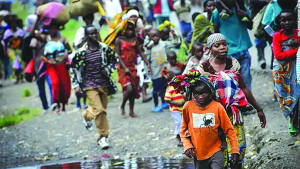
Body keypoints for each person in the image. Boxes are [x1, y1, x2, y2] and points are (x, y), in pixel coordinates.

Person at [197, 33, 267, 168]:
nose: (222, 47)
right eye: (217, 46)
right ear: (210, 49)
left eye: (224, 44)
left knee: (236, 152)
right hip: (213, 118)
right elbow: (198, 94)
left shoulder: (233, 63)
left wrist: (259, 109)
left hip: (233, 115)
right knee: (217, 153)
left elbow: (244, 87)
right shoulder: (204, 68)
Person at [169, 71, 239, 169]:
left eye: (204, 93)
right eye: (196, 94)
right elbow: (183, 131)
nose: (200, 97)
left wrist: (234, 149)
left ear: (210, 92)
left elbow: (229, 130)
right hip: (198, 153)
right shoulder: (188, 106)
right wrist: (187, 145)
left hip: (216, 150)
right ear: (193, 94)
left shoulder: (217, 107)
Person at [70, 25, 119, 149]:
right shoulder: (81, 53)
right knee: (100, 111)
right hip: (89, 85)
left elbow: (115, 60)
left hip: (104, 84)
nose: (94, 36)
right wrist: (76, 85)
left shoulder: (104, 48)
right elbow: (74, 68)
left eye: (95, 33)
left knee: (100, 109)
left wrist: (108, 70)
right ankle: (103, 137)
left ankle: (86, 115)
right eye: (91, 34)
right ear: (86, 37)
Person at [30, 17, 72, 114]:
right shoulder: (46, 38)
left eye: (54, 28)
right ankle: (56, 105)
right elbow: (32, 34)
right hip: (51, 65)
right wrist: (37, 20)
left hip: (61, 65)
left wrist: (66, 55)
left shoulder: (63, 39)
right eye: (50, 28)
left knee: (64, 86)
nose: (52, 30)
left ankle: (63, 106)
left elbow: (69, 50)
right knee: (54, 84)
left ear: (57, 29)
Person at [211, 0, 253, 91]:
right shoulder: (217, 13)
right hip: (228, 52)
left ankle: (248, 103)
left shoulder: (241, 8)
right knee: (231, 81)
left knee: (246, 79)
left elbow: (250, 26)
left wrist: (246, 16)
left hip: (243, 50)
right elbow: (216, 34)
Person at [115, 20, 151, 117]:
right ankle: (122, 105)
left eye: (131, 29)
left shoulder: (134, 40)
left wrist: (147, 63)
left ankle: (131, 111)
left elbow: (140, 52)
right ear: (124, 30)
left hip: (132, 67)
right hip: (123, 67)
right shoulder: (119, 40)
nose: (130, 31)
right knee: (129, 88)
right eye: (128, 29)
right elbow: (118, 55)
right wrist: (125, 67)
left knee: (134, 89)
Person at [272, 10, 300, 136]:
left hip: (297, 68)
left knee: (297, 94)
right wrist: (297, 50)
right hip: (283, 71)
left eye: (290, 20)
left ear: (295, 21)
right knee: (286, 95)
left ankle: (295, 122)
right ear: (279, 22)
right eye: (284, 20)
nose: (287, 23)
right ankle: (291, 120)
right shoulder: (277, 36)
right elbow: (278, 55)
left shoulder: (298, 34)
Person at [146, 29, 170, 112]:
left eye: (157, 36)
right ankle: (156, 105)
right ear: (150, 38)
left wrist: (175, 34)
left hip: (163, 70)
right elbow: (146, 58)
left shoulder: (163, 44)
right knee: (156, 90)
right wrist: (148, 48)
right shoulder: (149, 47)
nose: (155, 38)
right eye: (153, 36)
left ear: (160, 36)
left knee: (163, 88)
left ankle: (163, 103)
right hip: (155, 72)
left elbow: (175, 42)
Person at [164, 67, 185, 146]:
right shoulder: (170, 88)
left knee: (185, 123)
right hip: (175, 109)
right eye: (176, 77)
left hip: (183, 108)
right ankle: (178, 136)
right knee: (179, 122)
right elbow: (167, 99)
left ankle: (184, 137)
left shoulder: (182, 86)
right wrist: (176, 103)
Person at [3, 18, 24, 84]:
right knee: (14, 64)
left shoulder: (20, 31)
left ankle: (20, 76)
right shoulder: (7, 33)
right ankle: (16, 77)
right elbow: (5, 43)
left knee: (20, 63)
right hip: (11, 50)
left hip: (18, 49)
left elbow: (23, 41)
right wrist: (6, 51)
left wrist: (21, 49)